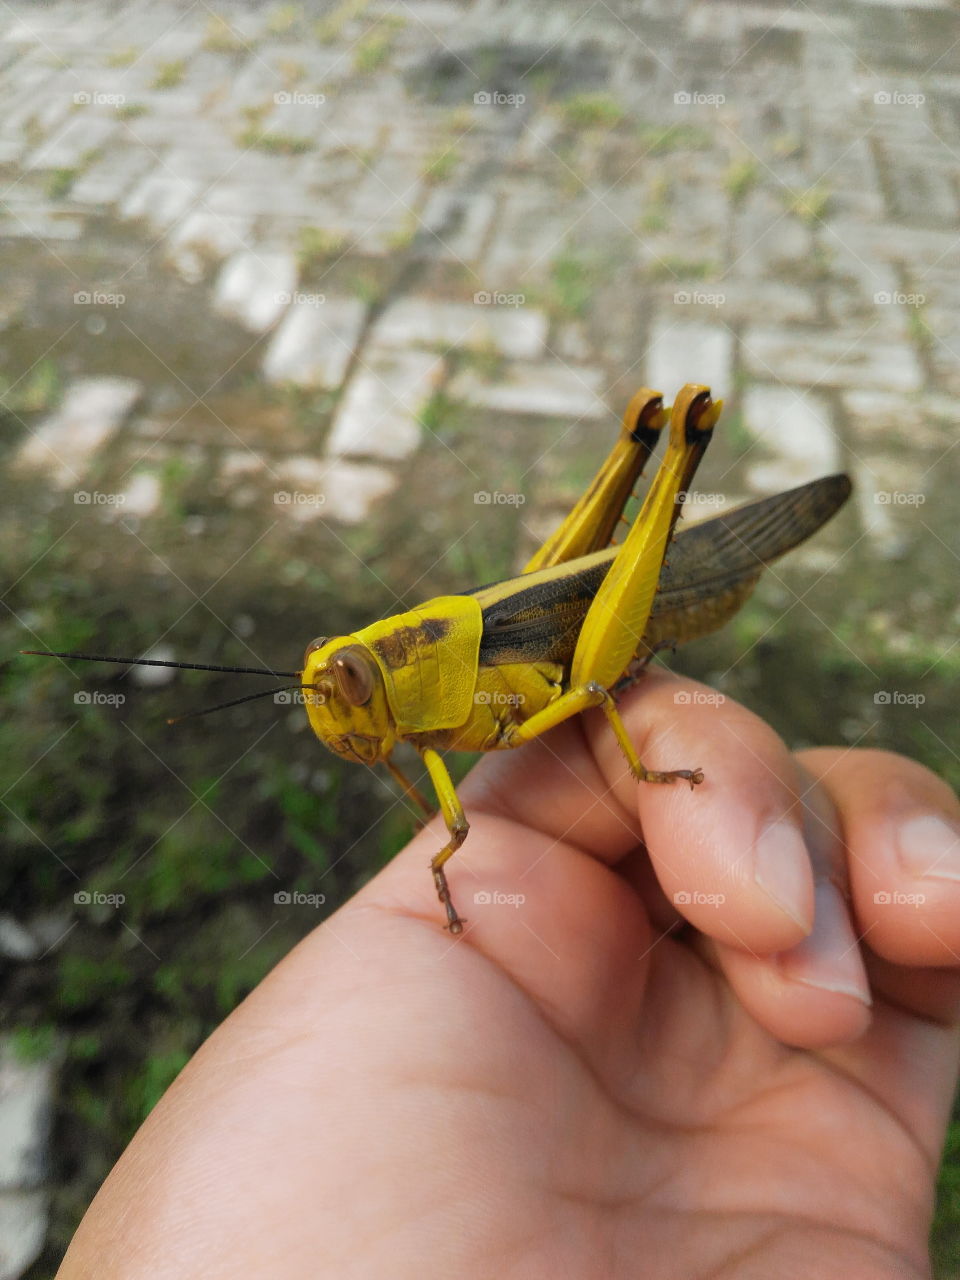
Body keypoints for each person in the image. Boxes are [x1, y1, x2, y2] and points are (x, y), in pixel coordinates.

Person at [57, 671, 959, 1278]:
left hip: (582, 644)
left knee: (606, 690)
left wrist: (645, 768)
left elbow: (597, 681)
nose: (339, 710)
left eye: (353, 684)